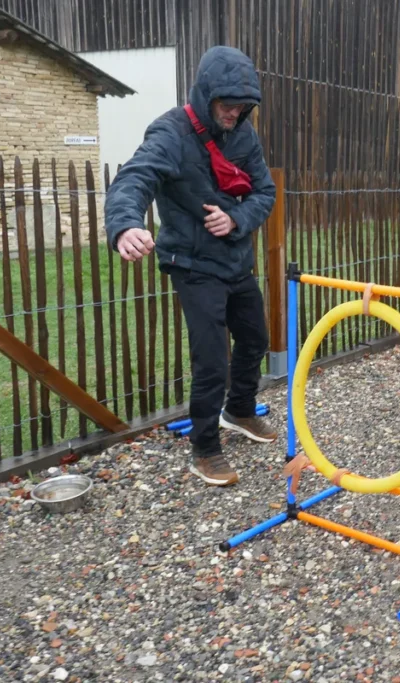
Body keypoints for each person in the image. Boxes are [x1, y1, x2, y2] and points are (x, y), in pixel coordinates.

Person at [105, 46, 278, 487]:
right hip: (193, 263)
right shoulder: (170, 133)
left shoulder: (244, 134)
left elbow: (265, 193)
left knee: (255, 338)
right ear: (206, 95)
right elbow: (134, 178)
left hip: (235, 258)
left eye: (243, 106)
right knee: (211, 359)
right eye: (228, 105)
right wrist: (126, 225)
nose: (235, 114)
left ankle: (239, 410)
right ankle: (204, 448)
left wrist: (237, 218)